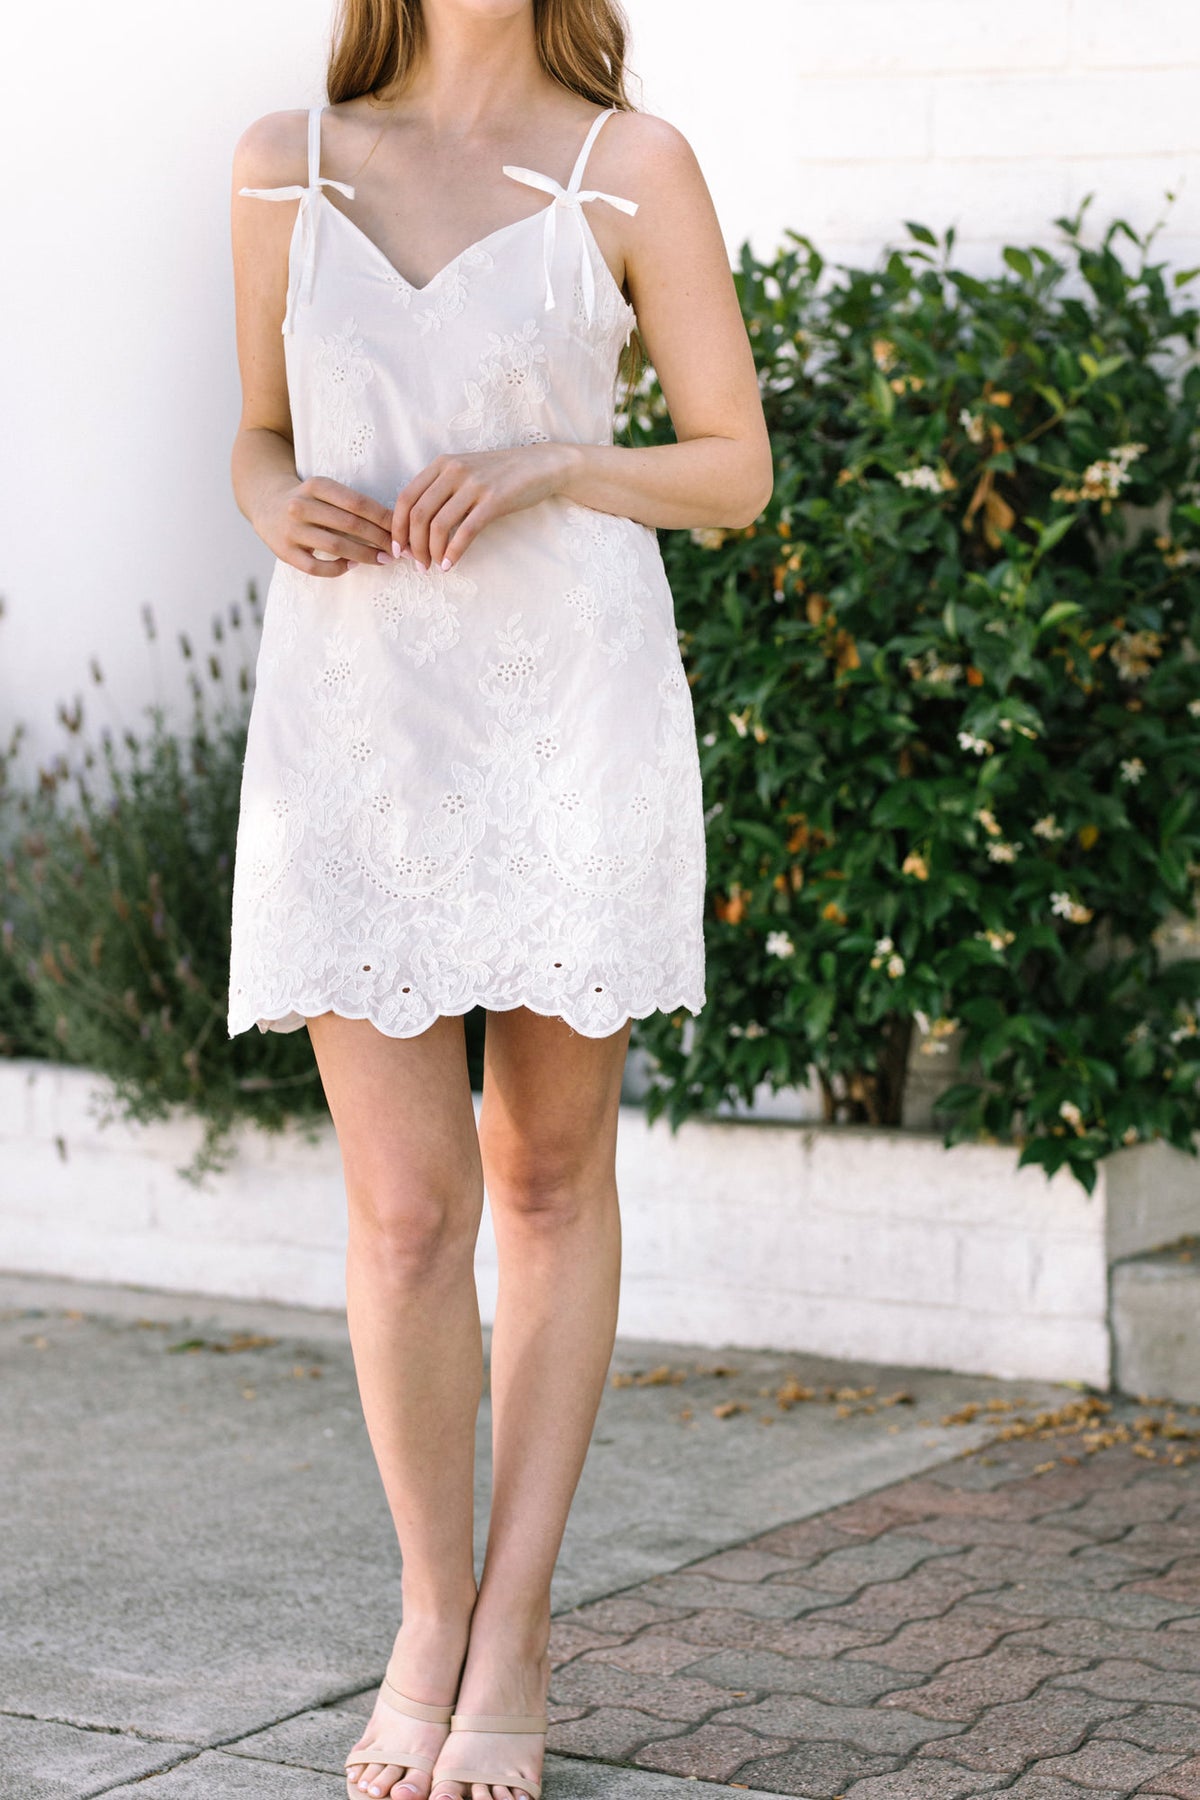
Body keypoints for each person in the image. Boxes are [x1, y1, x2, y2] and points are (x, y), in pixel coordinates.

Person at [227, 3, 771, 1798]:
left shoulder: (633, 165)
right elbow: (256, 435)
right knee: (404, 1212)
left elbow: (735, 468)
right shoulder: (284, 164)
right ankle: (429, 1609)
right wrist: (276, 503)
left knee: (543, 1177)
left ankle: (517, 1625)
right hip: (354, 719)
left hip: (567, 717)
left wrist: (556, 464)